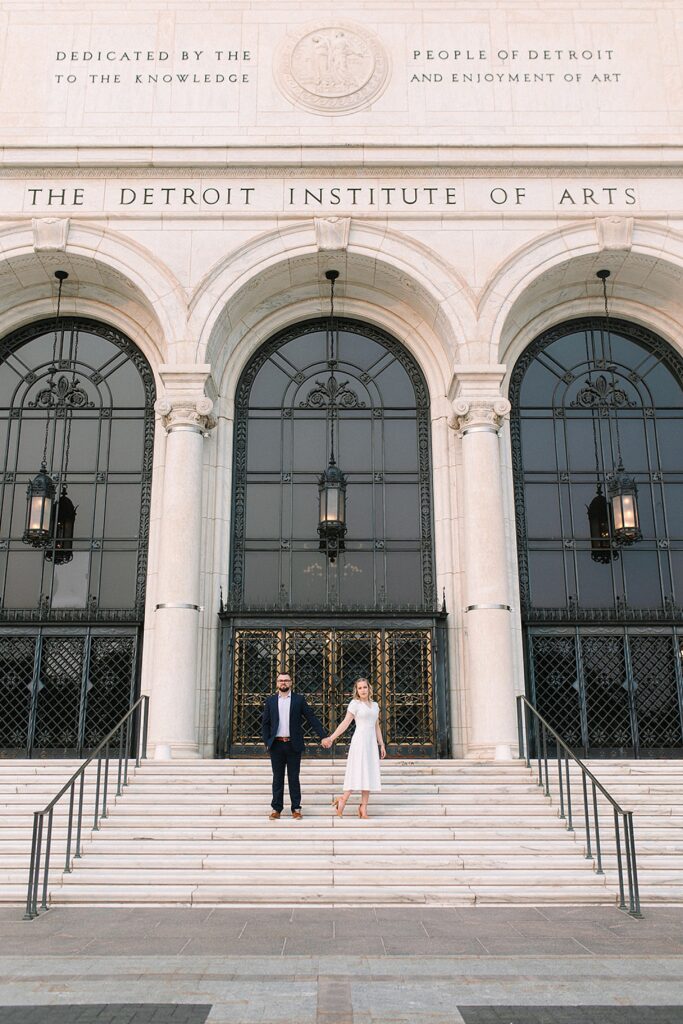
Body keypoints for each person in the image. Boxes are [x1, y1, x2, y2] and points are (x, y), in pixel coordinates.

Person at [262, 671, 326, 819]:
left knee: (293, 777)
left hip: (293, 745)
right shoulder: (270, 701)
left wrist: (323, 736)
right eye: (280, 680)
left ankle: (296, 808)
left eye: (286, 680)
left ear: (291, 683)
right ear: (277, 683)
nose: (283, 683)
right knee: (277, 777)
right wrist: (267, 741)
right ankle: (276, 809)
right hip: (276, 745)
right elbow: (265, 723)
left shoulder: (299, 700)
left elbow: (311, 718)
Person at [322, 677, 386, 818]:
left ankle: (363, 808)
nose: (363, 690)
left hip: (371, 744)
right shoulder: (354, 704)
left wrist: (381, 744)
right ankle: (343, 799)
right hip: (360, 742)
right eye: (360, 688)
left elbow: (376, 726)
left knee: (368, 773)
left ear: (369, 688)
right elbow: (345, 723)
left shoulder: (375, 705)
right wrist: (331, 738)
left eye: (365, 687)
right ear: (356, 691)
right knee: (356, 771)